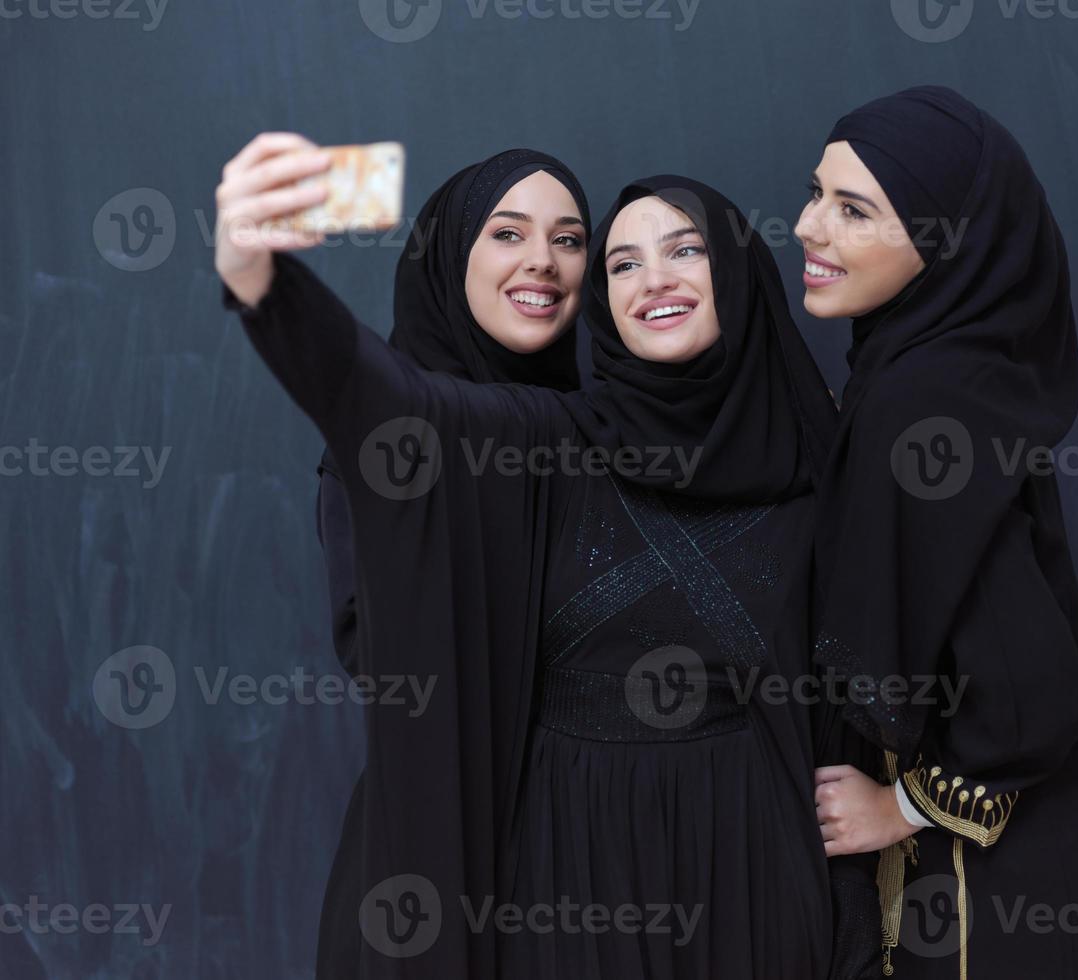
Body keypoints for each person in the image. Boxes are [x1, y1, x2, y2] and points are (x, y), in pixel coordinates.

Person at [215, 137, 839, 978]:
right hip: (561, 870)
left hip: (749, 871)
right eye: (623, 262)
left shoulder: (819, 459)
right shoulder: (543, 443)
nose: (652, 279)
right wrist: (263, 282)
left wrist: (913, 804)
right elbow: (388, 402)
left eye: (684, 249)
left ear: (736, 271)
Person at [795, 87, 1078, 979]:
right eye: (815, 193)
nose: (810, 227)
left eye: (854, 209)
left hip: (1016, 876)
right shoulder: (948, 373)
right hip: (1068, 858)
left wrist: (903, 808)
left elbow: (1025, 694)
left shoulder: (917, 402)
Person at [310, 146, 592, 980]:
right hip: (437, 852)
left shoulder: (612, 433)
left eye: (569, 238)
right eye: (508, 233)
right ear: (449, 255)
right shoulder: (387, 439)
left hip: (600, 854)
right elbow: (383, 656)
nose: (542, 259)